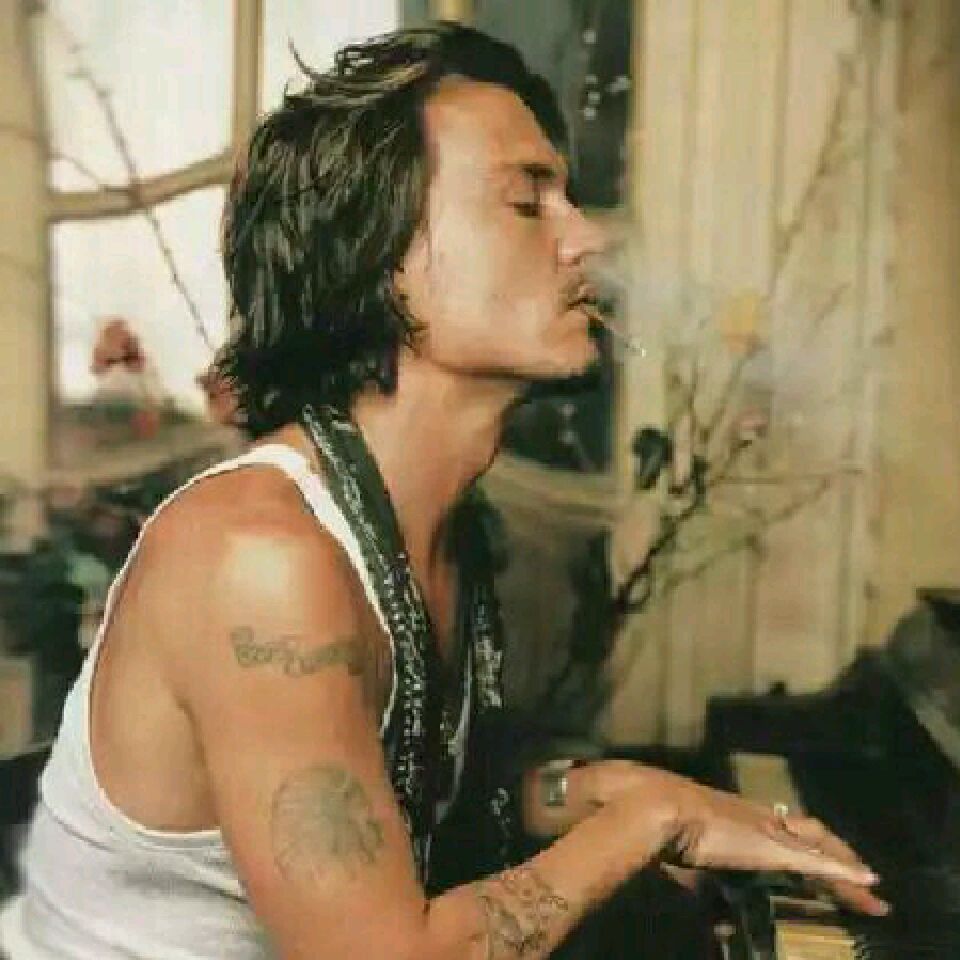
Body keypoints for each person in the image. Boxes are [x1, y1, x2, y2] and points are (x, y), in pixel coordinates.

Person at [5, 21, 887, 960]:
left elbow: (412, 791)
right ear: (380, 255)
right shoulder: (261, 559)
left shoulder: (431, 526)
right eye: (527, 202)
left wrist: (608, 790)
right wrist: (654, 822)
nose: (586, 237)